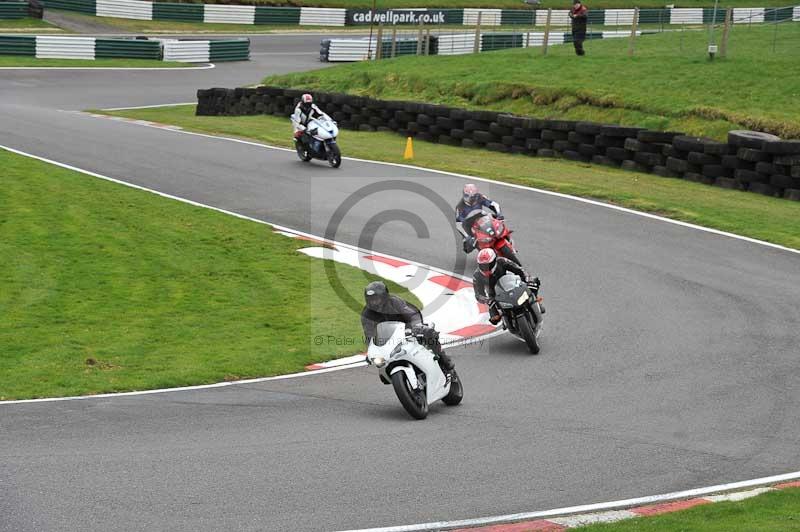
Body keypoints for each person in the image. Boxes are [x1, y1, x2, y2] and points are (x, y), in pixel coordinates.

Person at [361, 281, 455, 372]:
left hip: (408, 329)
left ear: (384, 297)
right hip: (389, 338)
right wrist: (371, 351)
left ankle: (442, 357)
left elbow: (412, 314)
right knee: (381, 364)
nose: (374, 302)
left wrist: (416, 326)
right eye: (371, 300)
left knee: (428, 333)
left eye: (376, 299)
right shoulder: (366, 314)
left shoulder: (394, 302)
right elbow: (369, 334)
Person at [473, 248, 542, 325]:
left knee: (534, 282)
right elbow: (478, 295)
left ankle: (535, 300)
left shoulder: (502, 261)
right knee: (494, 319)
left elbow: (520, 270)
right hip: (494, 295)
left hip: (510, 283)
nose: (485, 268)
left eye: (488, 265)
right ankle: (507, 321)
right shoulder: (477, 275)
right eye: (482, 266)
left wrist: (527, 278)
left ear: (494, 261)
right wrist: (488, 300)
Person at [455, 184, 503, 253]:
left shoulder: (480, 197)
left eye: (473, 196)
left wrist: (499, 214)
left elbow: (493, 204)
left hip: (481, 217)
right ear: (463, 195)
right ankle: (485, 253)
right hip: (468, 225)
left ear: (476, 195)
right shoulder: (459, 207)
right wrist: (467, 236)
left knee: (495, 220)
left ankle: (505, 238)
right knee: (468, 248)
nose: (470, 198)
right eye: (467, 196)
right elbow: (458, 224)